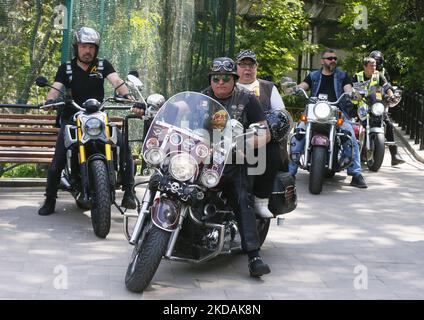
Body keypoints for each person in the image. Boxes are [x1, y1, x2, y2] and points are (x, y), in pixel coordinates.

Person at [38, 27, 144, 216]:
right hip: (73, 118)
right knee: (57, 161)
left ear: (96, 49)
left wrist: (127, 96)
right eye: (84, 46)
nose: (88, 51)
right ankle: (50, 199)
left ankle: (129, 192)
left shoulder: (102, 66)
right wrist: (50, 101)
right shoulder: (67, 68)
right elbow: (55, 88)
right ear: (76, 48)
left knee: (125, 149)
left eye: (91, 47)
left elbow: (117, 81)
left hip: (98, 117)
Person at [202, 57, 272, 277]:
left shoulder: (247, 98)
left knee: (242, 198)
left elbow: (264, 131)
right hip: (204, 156)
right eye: (216, 78)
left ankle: (254, 256)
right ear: (211, 80)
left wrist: (244, 145)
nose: (220, 82)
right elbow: (182, 110)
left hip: (234, 158)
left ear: (234, 79)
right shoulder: (203, 97)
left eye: (225, 78)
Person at [288, 49, 368, 188]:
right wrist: (294, 89)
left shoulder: (342, 76)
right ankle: (290, 173)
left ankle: (356, 174)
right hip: (313, 111)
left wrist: (351, 93)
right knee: (297, 134)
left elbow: (348, 88)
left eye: (335, 58)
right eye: (330, 58)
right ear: (322, 61)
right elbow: (303, 86)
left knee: (350, 136)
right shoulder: (313, 76)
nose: (333, 61)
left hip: (336, 111)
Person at [235, 49, 290, 218]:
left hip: (260, 137)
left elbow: (282, 114)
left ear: (256, 67)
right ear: (236, 68)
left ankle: (261, 199)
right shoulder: (228, 84)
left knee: (272, 152)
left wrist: (271, 128)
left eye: (251, 65)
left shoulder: (268, 87)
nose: (247, 69)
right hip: (229, 135)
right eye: (243, 65)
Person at [368, 51, 405, 166]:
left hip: (379, 102)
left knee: (388, 124)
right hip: (365, 101)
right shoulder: (362, 73)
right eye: (374, 61)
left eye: (378, 61)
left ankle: (394, 155)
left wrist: (391, 95)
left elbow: (388, 86)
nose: (376, 63)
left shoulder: (383, 73)